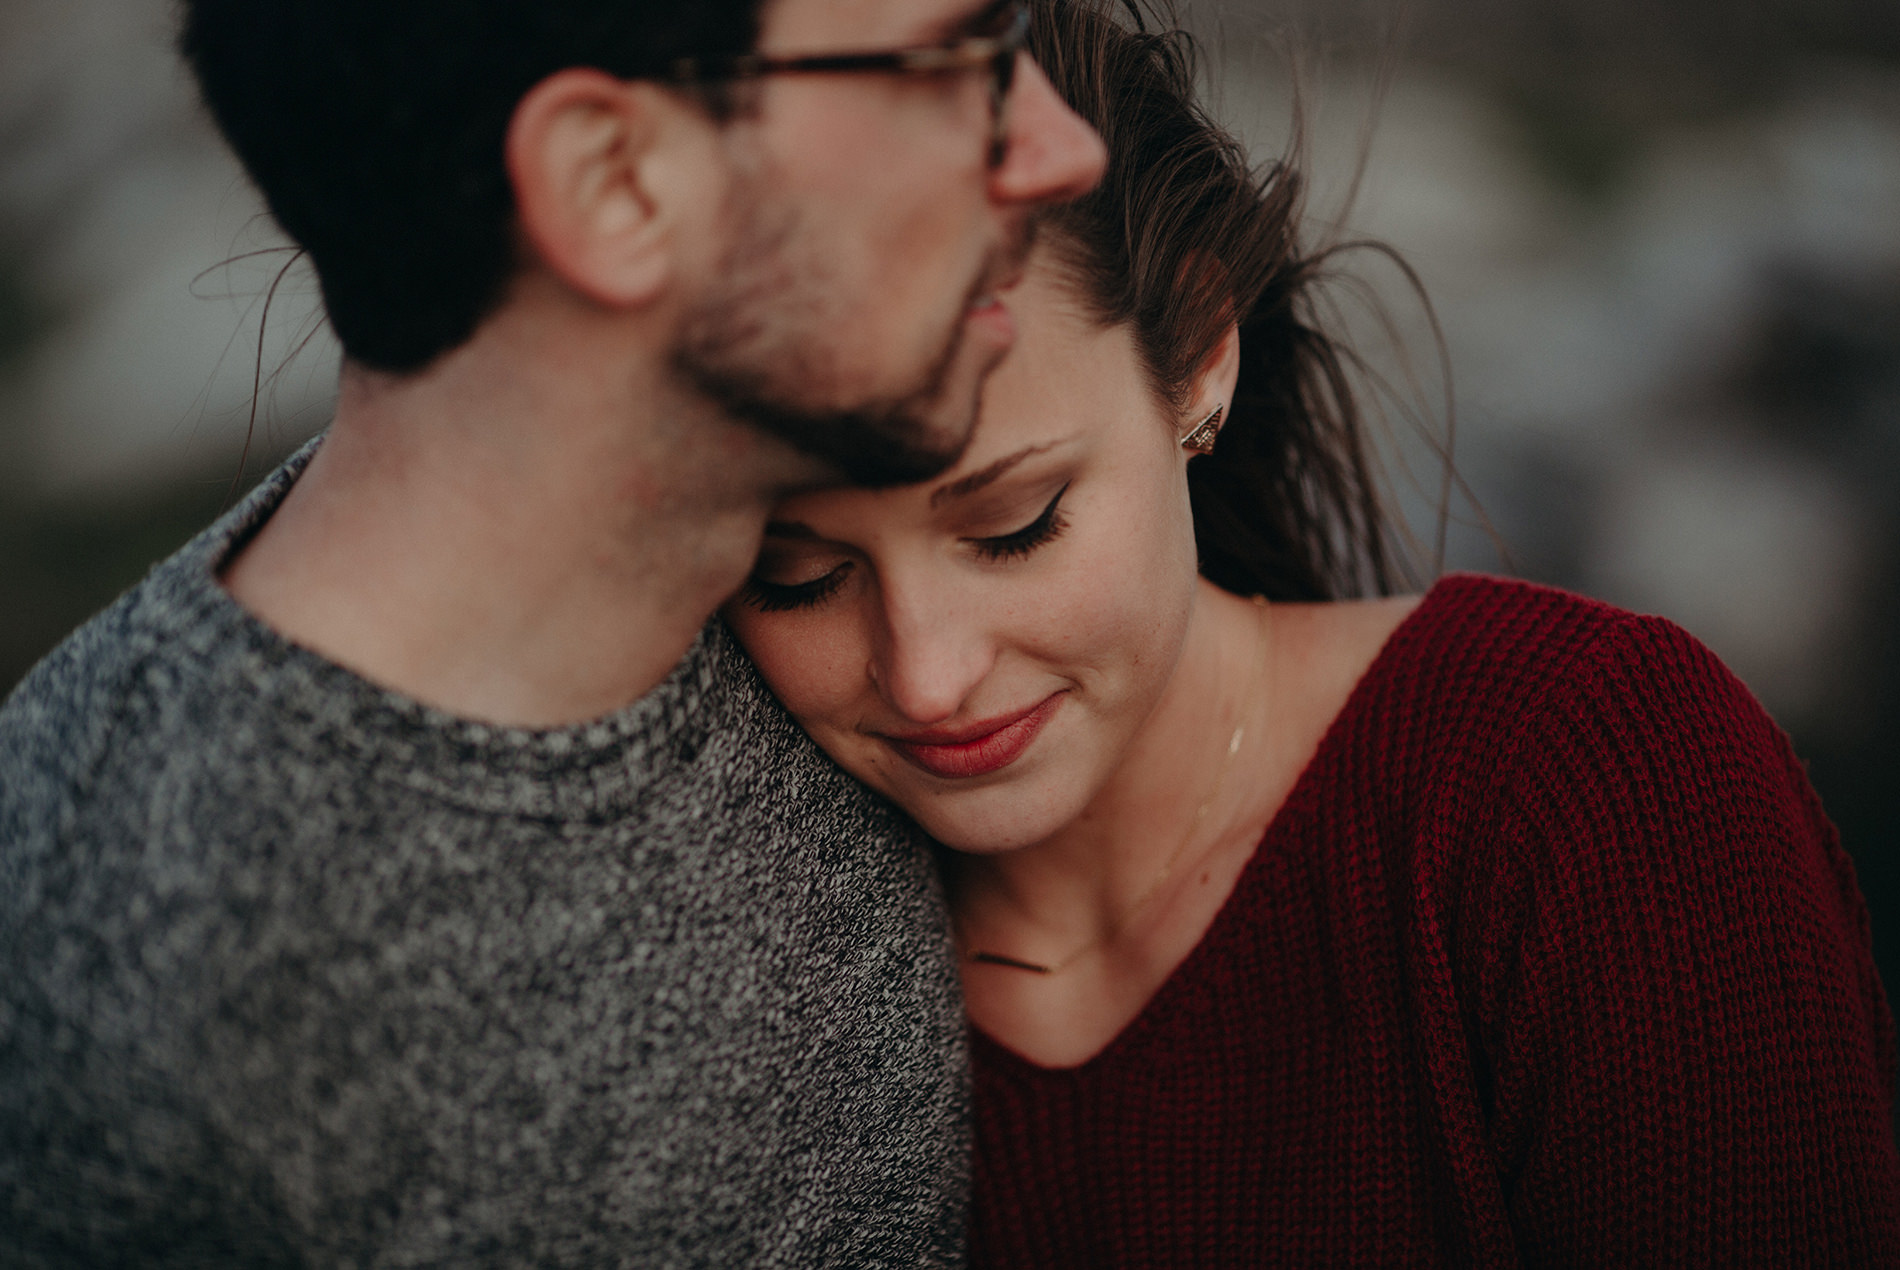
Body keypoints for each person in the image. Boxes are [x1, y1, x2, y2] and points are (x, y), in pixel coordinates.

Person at [720, 1, 1900, 1262]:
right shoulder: (758, 970)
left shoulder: (1587, 775)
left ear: (1198, 357)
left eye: (1017, 524)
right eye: (796, 575)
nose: (930, 673)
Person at [0, 0, 1105, 1263]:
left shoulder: (840, 625)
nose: (1061, 151)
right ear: (614, 183)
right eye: (954, 60)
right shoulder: (103, 975)